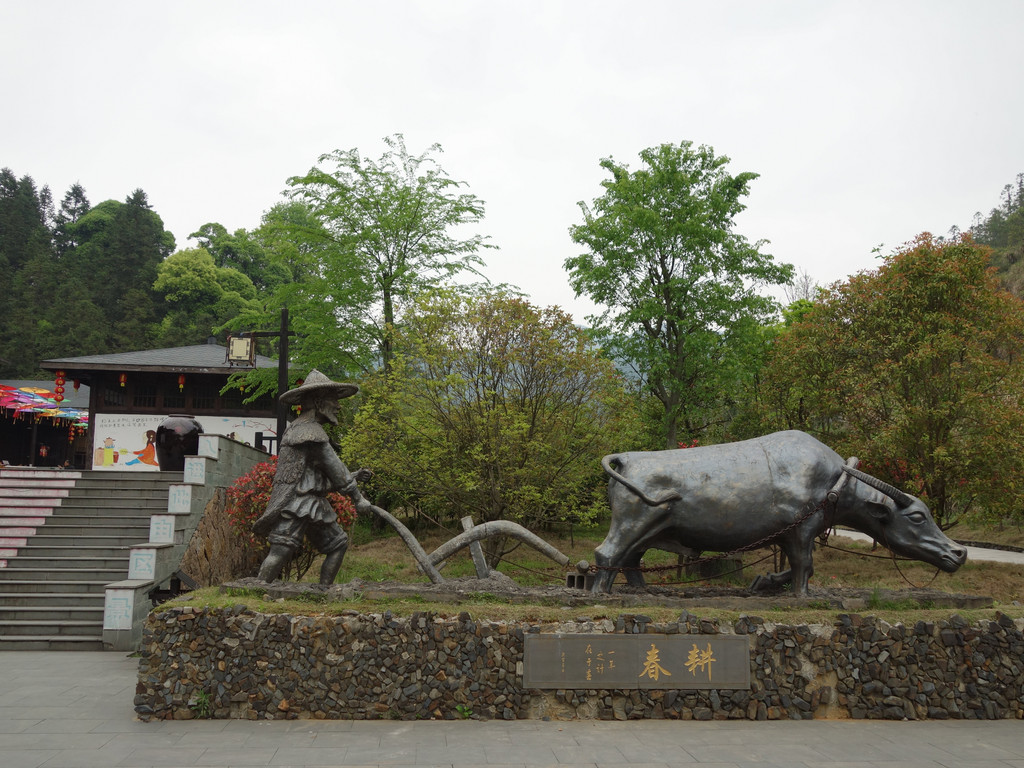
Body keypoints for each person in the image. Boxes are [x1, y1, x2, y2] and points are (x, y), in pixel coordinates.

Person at [252, 369, 372, 585]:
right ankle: (258, 589)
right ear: (318, 402)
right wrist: (357, 498)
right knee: (281, 551)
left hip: (311, 502)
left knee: (337, 544)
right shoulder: (310, 432)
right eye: (333, 400)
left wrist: (355, 475)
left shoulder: (301, 429)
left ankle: (323, 591)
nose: (338, 405)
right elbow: (336, 470)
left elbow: (316, 478)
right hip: (298, 504)